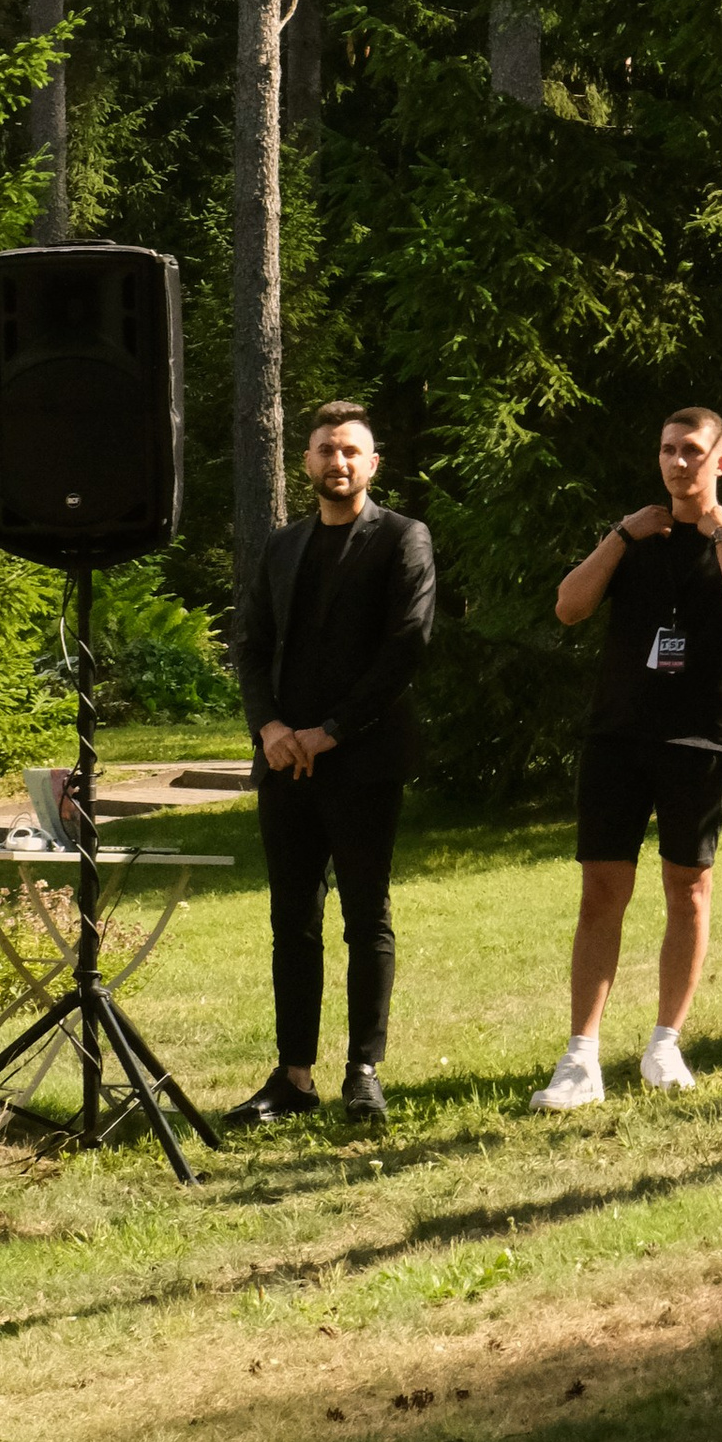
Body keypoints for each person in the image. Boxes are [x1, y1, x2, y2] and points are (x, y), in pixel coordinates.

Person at [531, 409, 722, 1110]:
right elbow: (569, 607)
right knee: (601, 893)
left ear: (720, 463)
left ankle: (663, 1045)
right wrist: (619, 536)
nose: (679, 463)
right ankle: (581, 1059)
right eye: (669, 450)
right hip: (618, 737)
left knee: (688, 889)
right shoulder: (634, 536)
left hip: (702, 740)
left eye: (694, 452)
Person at [228, 401, 436, 1127]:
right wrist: (271, 727)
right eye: (324, 450)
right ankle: (294, 1077)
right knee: (293, 922)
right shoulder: (282, 546)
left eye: (351, 450)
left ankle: (364, 1073)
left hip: (364, 761)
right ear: (307, 461)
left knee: (365, 919)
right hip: (284, 763)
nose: (336, 462)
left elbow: (405, 646)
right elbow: (250, 644)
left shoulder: (404, 539)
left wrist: (334, 731)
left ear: (373, 464)